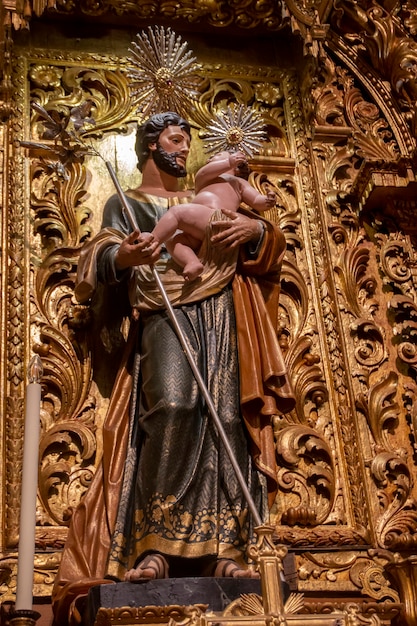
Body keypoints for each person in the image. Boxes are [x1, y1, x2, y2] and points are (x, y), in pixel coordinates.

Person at [51, 111, 295, 626]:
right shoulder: (130, 201)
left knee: (226, 416)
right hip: (164, 310)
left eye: (187, 141)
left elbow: (267, 245)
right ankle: (153, 543)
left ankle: (227, 548)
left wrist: (254, 230)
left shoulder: (210, 193)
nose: (184, 149)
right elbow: (100, 253)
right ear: (149, 144)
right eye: (175, 139)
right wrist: (125, 256)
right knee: (175, 407)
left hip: (223, 311)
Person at [151, 149, 277, 280]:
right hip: (200, 228)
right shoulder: (204, 178)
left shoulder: (238, 182)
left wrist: (266, 201)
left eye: (217, 156)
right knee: (174, 240)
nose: (209, 159)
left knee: (177, 213)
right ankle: (192, 262)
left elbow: (256, 200)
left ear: (238, 168)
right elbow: (205, 171)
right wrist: (228, 162)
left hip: (218, 219)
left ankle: (151, 241)